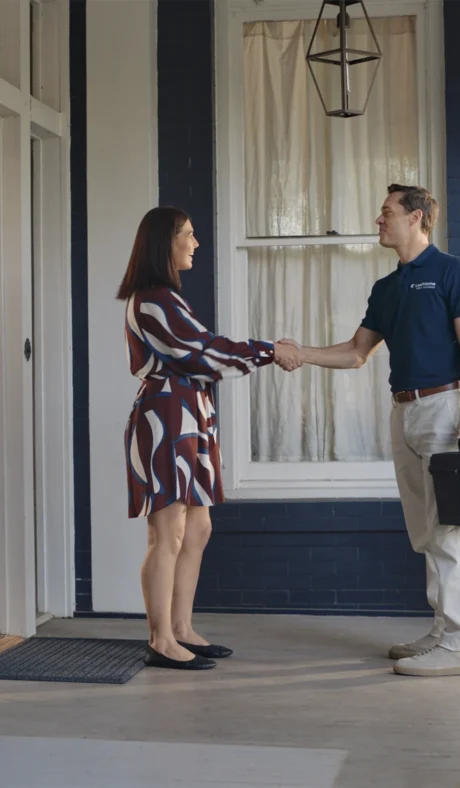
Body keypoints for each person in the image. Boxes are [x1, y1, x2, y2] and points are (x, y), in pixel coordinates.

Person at [279, 185, 460, 677]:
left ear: (417, 218)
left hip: (444, 408)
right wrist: (300, 353)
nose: (379, 220)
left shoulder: (452, 271)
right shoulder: (387, 288)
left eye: (387, 212)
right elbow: (356, 351)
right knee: (425, 530)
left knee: (449, 530)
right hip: (404, 413)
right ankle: (442, 631)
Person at [116, 207, 301, 671]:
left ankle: (181, 629)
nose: (195, 243)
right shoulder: (152, 299)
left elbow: (202, 354)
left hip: (191, 416)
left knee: (197, 528)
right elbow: (202, 354)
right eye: (189, 235)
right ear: (165, 244)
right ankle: (160, 640)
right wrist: (269, 351)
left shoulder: (167, 298)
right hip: (165, 419)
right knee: (168, 532)